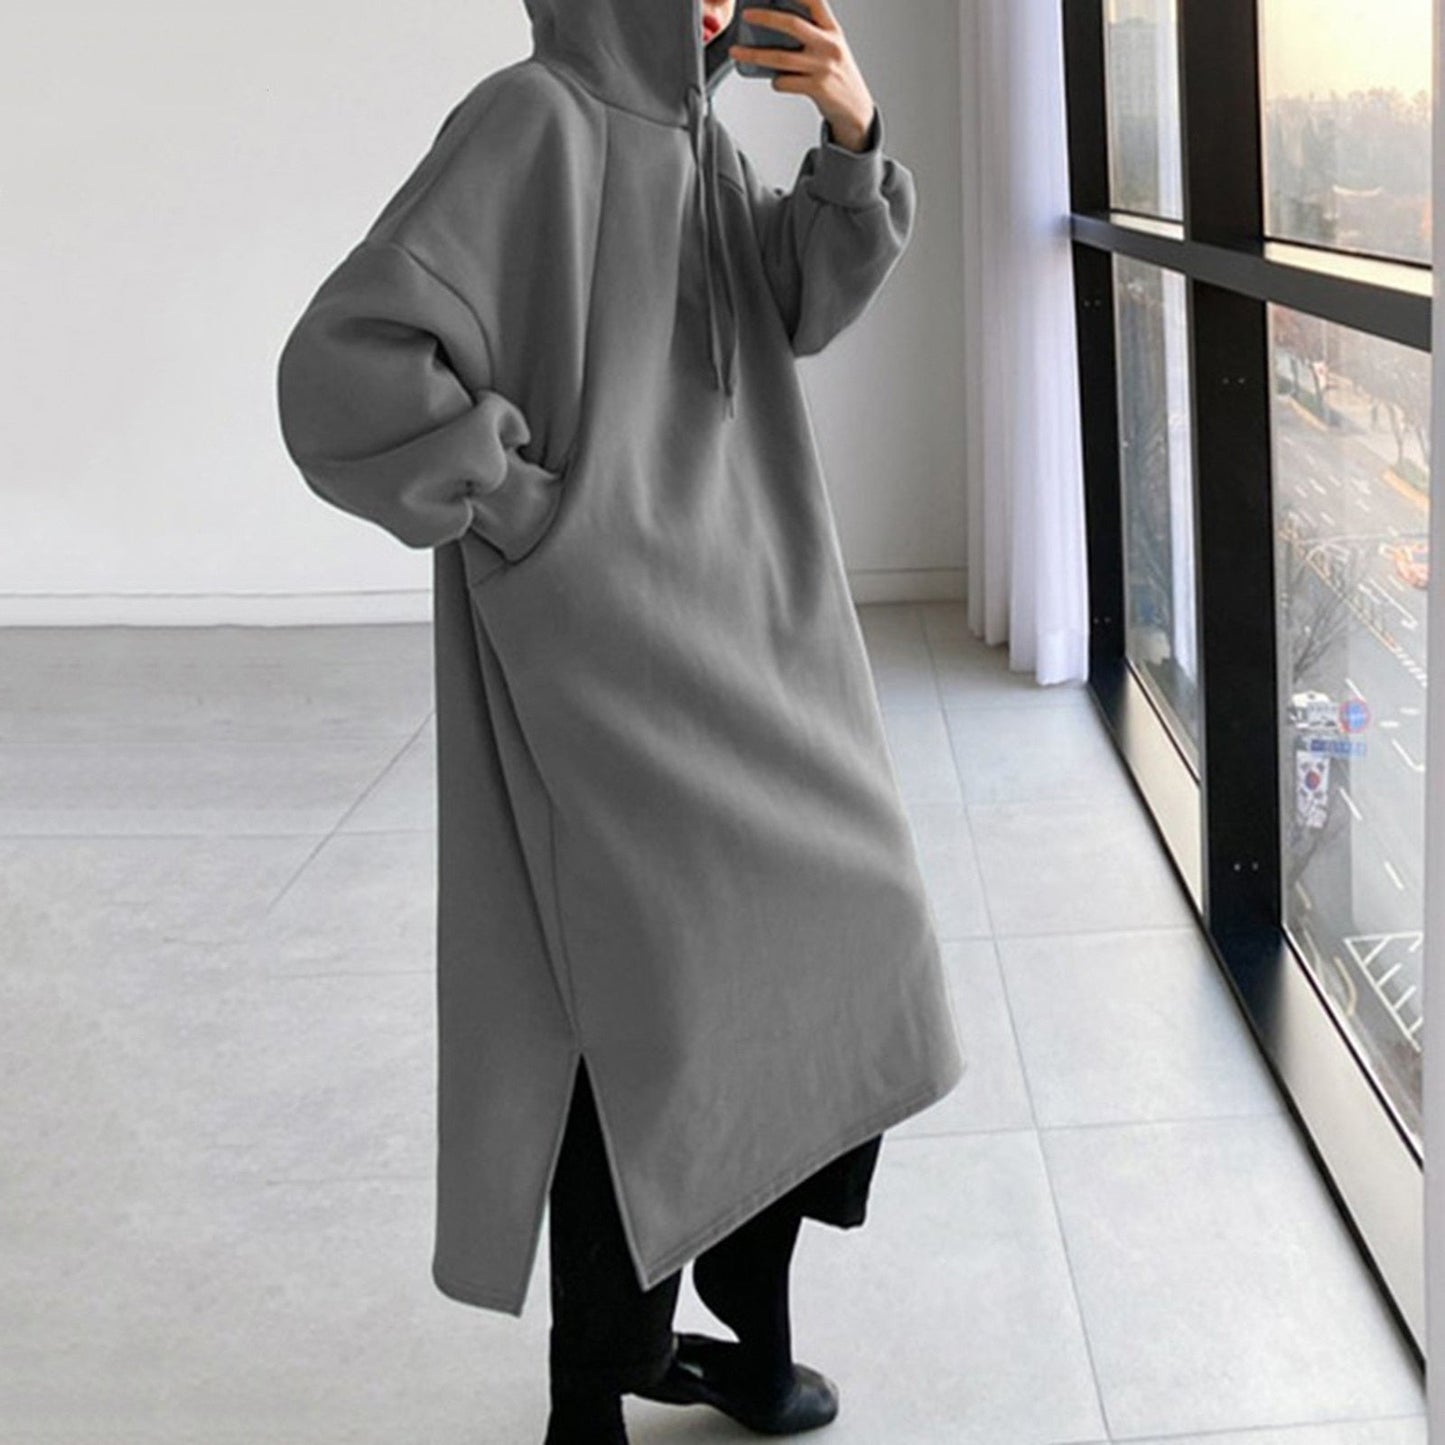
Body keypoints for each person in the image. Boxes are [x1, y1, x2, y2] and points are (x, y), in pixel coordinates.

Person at [275, 1, 966, 1441]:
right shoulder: (529, 118)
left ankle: (745, 1309)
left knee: (854, 940)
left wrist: (852, 134)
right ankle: (593, 1389)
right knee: (645, 1007)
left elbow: (795, 304)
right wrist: (531, 509)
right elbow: (340, 366)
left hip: (759, 617)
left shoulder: (702, 142)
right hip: (610, 653)